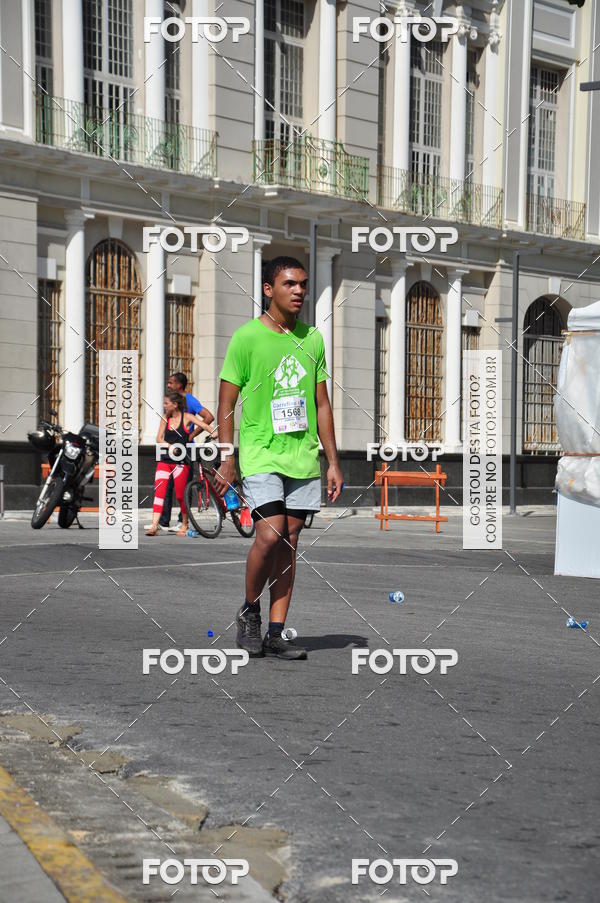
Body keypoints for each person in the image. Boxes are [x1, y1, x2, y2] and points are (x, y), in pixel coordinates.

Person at [214, 256, 344, 660]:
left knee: (289, 542)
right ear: (269, 289)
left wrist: (334, 462)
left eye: (303, 284)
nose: (299, 291)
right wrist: (226, 455)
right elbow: (226, 401)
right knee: (268, 535)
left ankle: (275, 631)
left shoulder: (313, 339)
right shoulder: (247, 338)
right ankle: (249, 611)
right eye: (290, 284)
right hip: (260, 453)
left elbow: (321, 404)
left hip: (302, 457)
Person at [146, 391, 214, 536]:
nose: (164, 406)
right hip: (165, 460)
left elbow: (204, 424)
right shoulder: (165, 418)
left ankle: (184, 523)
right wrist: (170, 447)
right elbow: (159, 438)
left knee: (180, 495)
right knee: (159, 491)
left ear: (175, 405)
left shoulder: (187, 417)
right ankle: (154, 525)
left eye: (166, 403)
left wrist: (213, 432)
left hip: (181, 462)